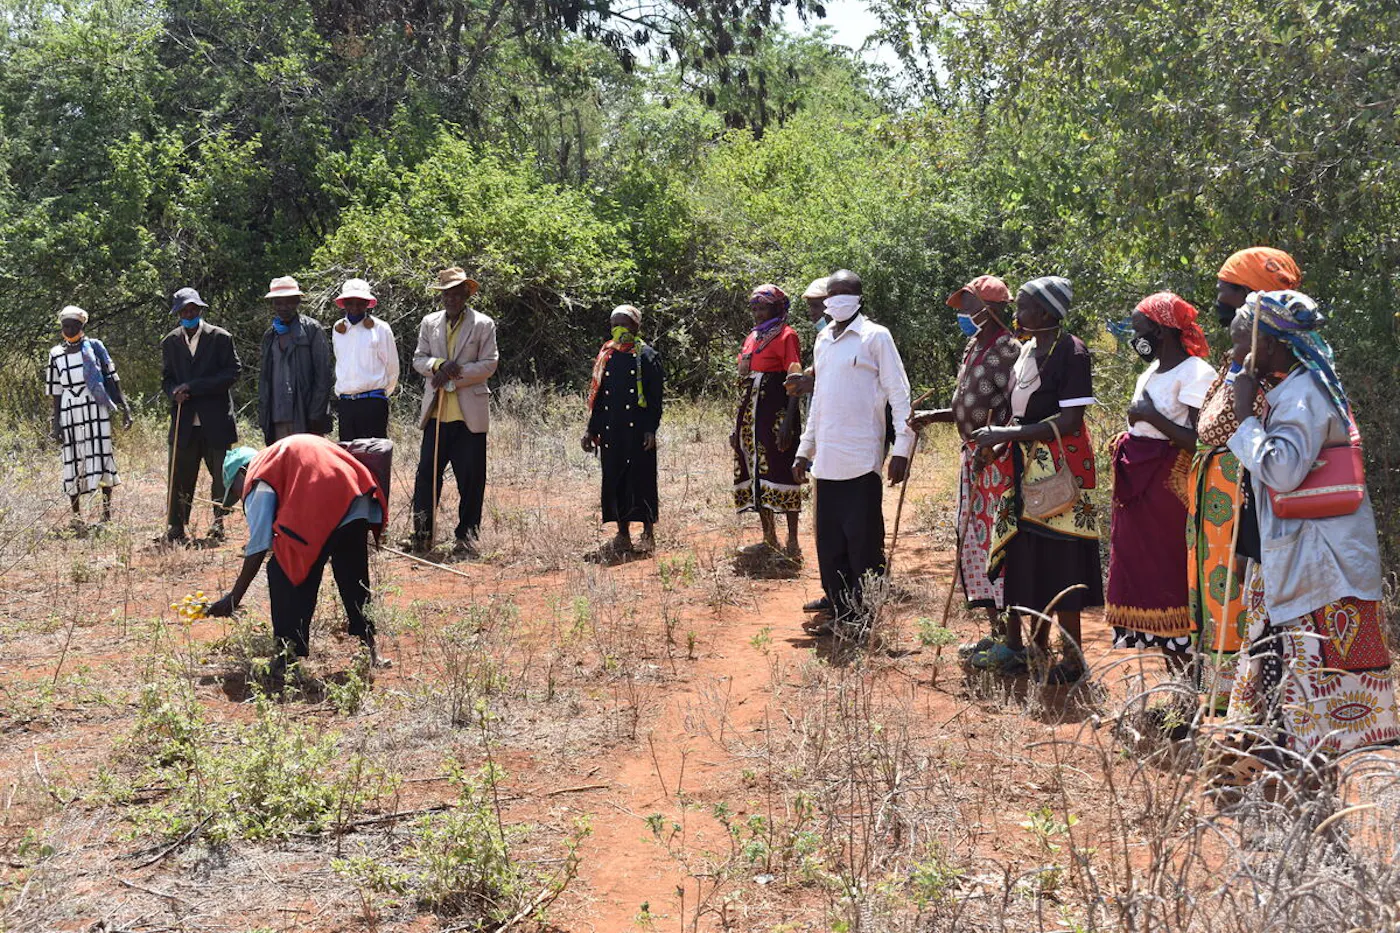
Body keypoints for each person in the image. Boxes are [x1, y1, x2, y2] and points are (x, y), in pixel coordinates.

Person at [1224, 290, 1398, 762]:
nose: (1234, 353)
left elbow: (1282, 471)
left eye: (1241, 341)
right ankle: (1292, 762)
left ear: (1270, 346)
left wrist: (1244, 417)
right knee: (1291, 667)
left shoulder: (1302, 395)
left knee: (1312, 671)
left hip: (1319, 561)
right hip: (1310, 557)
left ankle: (1307, 771)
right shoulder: (1296, 387)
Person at [974, 276, 1102, 683]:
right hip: (1022, 465)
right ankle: (1029, 646)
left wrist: (1006, 436)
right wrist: (995, 447)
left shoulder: (1071, 352)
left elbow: (1070, 420)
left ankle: (1073, 658)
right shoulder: (1028, 349)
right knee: (1024, 553)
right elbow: (1019, 414)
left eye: (1025, 306)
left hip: (1059, 471)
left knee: (1061, 557)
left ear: (1047, 313)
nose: (1018, 313)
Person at [1191, 248, 1301, 708]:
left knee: (1241, 591)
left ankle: (1242, 700)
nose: (1218, 297)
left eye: (1227, 290)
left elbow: (1217, 426)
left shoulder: (1268, 368)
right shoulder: (1243, 354)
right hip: (1226, 481)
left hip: (1246, 484)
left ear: (1252, 297)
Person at [792, 269, 913, 636]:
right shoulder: (824, 341)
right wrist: (804, 449)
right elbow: (819, 403)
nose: (839, 298)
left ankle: (866, 614)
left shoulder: (876, 337)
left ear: (859, 298)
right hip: (826, 459)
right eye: (834, 293)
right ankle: (842, 612)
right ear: (826, 300)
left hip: (862, 459)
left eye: (847, 292)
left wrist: (902, 448)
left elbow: (899, 393)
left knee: (863, 542)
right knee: (830, 544)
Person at [207, 436, 389, 673]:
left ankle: (286, 656)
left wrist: (234, 597)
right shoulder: (281, 455)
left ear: (243, 471)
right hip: (358, 497)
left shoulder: (259, 473)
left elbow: (259, 544)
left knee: (282, 569)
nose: (241, 496)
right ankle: (371, 650)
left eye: (235, 489)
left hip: (325, 502)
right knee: (354, 577)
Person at [910, 276, 1021, 654]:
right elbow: (966, 404)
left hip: (998, 461)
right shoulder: (974, 344)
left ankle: (1013, 639)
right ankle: (996, 631)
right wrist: (932, 415)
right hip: (973, 454)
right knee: (974, 541)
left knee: (998, 544)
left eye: (970, 304)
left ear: (991, 307)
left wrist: (994, 447)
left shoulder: (1009, 349)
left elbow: (1015, 411)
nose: (964, 312)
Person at [1105, 292, 1215, 669]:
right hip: (1140, 491)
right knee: (1146, 577)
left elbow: (1203, 440)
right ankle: (1175, 689)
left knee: (1170, 574)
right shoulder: (1150, 373)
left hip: (1171, 492)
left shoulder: (1197, 372)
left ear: (1163, 331)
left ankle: (1188, 689)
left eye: (1140, 330)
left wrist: (1152, 417)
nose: (1137, 338)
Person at [409, 267, 498, 554]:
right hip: (436, 413)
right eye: (447, 294)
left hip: (468, 416)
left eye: (457, 293)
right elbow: (418, 359)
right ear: (442, 296)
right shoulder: (429, 323)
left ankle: (467, 537)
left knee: (471, 480)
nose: (452, 298)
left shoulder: (483, 324)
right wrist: (437, 365)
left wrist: (454, 372)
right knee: (426, 477)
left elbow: (489, 364)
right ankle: (422, 536)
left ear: (467, 294)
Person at [160, 287, 242, 544]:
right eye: (184, 310)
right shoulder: (170, 341)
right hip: (185, 421)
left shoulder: (220, 337)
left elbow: (232, 373)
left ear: (200, 310)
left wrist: (194, 387)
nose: (189, 313)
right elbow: (167, 379)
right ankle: (176, 527)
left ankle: (219, 524)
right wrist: (174, 392)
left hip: (215, 419)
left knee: (221, 475)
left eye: (193, 309)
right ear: (178, 313)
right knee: (180, 476)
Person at [582, 304, 664, 555]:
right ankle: (622, 533)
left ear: (637, 327)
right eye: (614, 324)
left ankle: (648, 532)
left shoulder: (647, 355)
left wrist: (651, 429)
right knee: (615, 478)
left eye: (624, 324)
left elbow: (655, 398)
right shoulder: (606, 355)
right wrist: (590, 430)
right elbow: (599, 398)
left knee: (642, 477)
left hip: (638, 431)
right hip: (611, 430)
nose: (619, 329)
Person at [733, 284, 803, 558]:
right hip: (750, 416)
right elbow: (744, 380)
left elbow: (795, 380)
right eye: (754, 308)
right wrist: (736, 427)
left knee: (782, 469)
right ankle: (768, 537)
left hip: (776, 413)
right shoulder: (752, 337)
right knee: (756, 473)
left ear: (777, 308)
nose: (757, 313)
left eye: (763, 307)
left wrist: (788, 422)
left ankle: (793, 541)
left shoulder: (788, 335)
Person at [47, 306, 133, 527]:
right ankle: (76, 517)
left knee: (101, 454)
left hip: (95, 406)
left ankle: (106, 515)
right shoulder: (55, 354)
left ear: (82, 326)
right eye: (65, 325)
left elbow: (113, 378)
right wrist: (56, 423)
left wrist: (125, 408)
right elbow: (56, 391)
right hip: (69, 408)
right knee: (73, 458)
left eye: (73, 325)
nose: (68, 329)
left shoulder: (94, 348)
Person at [258, 276, 333, 445]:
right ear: (273, 304)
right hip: (277, 415)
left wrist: (316, 413)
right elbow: (264, 380)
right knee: (282, 467)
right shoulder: (270, 336)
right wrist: (264, 415)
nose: (284, 307)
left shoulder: (312, 329)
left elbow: (323, 375)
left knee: (307, 466)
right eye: (279, 302)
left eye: (289, 301)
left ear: (298, 301)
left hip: (305, 414)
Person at [331, 278, 399, 442]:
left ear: (367, 303)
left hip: (373, 402)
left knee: (374, 458)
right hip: (346, 404)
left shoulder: (380, 328)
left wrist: (380, 394)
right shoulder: (337, 329)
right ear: (343, 303)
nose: (355, 307)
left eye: (360, 302)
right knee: (348, 458)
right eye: (350, 302)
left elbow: (392, 368)